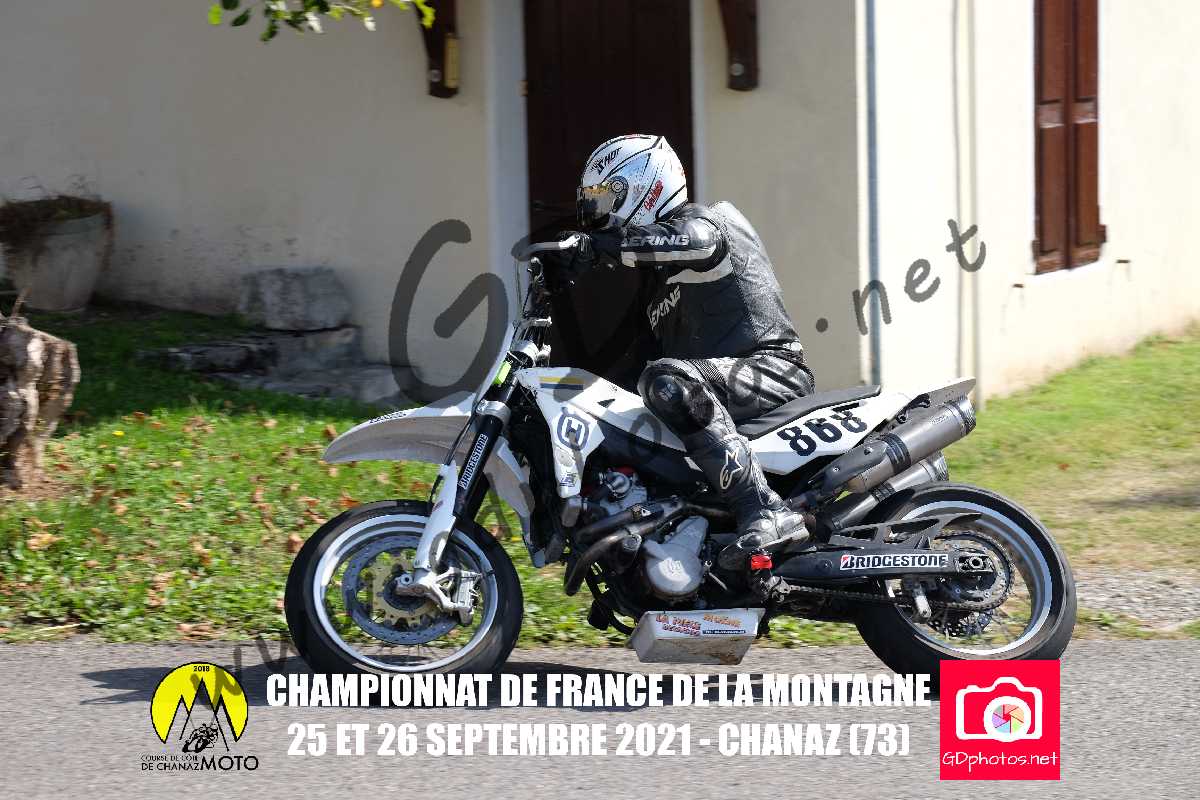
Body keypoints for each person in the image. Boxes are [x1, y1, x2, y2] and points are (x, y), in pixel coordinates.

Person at [568, 134, 815, 570]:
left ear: (644, 186)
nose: (600, 215)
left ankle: (764, 509)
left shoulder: (707, 223)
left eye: (607, 199)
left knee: (666, 380)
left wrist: (603, 246)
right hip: (716, 388)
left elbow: (687, 239)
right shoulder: (656, 285)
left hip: (771, 368)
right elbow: (628, 372)